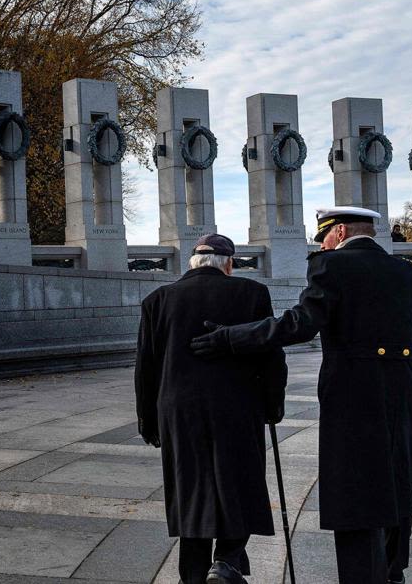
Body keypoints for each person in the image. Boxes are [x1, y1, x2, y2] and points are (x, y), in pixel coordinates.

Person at [191, 207, 412, 584]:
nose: (321, 244)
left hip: (354, 400)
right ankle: (393, 573)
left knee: (357, 498)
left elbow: (299, 323)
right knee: (397, 494)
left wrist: (232, 336)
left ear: (339, 232)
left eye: (323, 236)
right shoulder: (407, 272)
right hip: (404, 398)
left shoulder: (332, 266)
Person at [135, 233, 287, 584]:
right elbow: (270, 355)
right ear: (228, 263)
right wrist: (273, 405)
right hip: (238, 407)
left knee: (191, 489)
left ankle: (193, 574)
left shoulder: (158, 299)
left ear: (192, 261)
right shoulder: (252, 294)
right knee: (240, 481)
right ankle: (228, 559)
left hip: (178, 411)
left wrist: (149, 422)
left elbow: (146, 367)